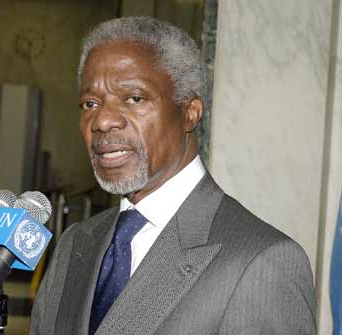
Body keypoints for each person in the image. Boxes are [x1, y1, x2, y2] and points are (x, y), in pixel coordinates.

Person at [30, 17, 316, 335]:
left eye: (134, 98)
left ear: (189, 112)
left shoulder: (261, 262)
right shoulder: (74, 244)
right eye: (90, 103)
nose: (103, 121)